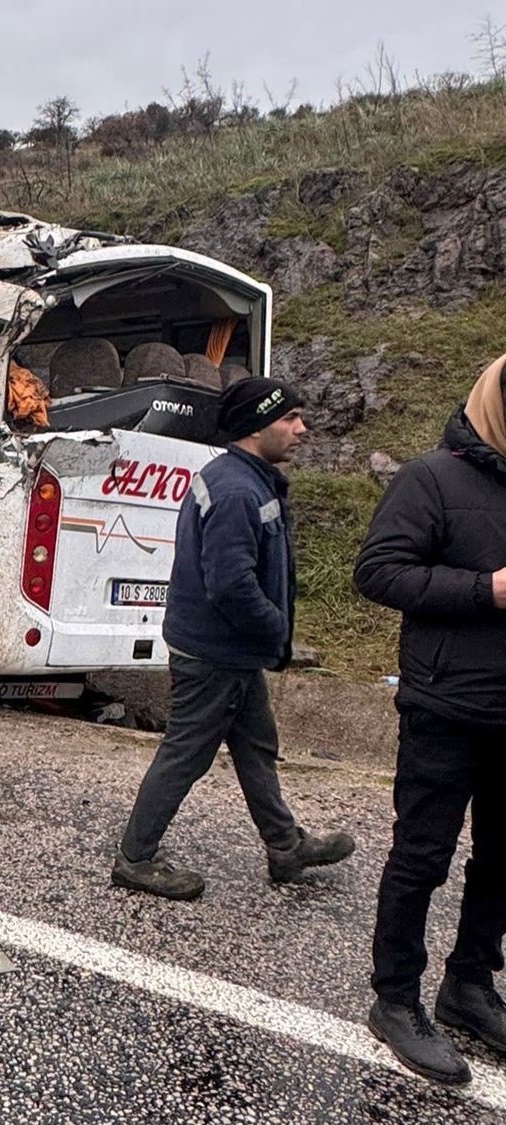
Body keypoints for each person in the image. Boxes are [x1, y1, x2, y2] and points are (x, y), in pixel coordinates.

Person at [112, 376, 355, 900]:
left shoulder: (242, 477)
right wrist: (278, 629)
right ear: (254, 427)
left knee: (255, 746)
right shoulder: (237, 490)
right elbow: (230, 584)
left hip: (231, 651)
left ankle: (285, 846)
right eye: (289, 418)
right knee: (186, 754)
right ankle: (135, 859)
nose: (301, 428)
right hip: (214, 653)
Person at [353, 355, 506, 1088]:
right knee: (421, 857)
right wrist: (487, 589)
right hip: (445, 707)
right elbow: (377, 570)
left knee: (501, 863)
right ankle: (395, 999)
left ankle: (467, 986)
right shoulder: (430, 477)